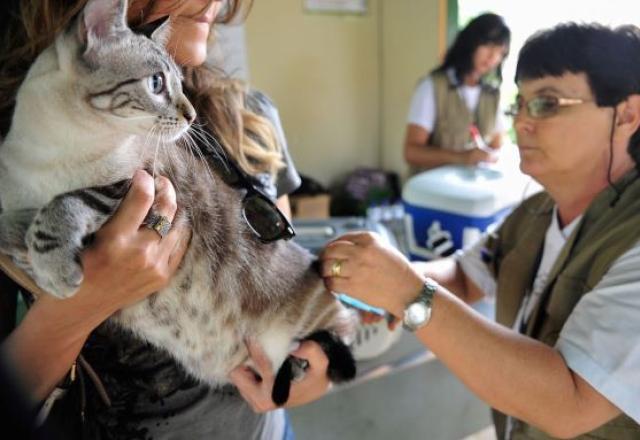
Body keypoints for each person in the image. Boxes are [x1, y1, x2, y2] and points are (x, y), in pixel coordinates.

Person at [0, 1, 331, 438]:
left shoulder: (250, 116)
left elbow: (284, 281)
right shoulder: (21, 148)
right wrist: (79, 309)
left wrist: (314, 365)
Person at [321, 22, 640, 439]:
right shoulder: (535, 214)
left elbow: (571, 403)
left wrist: (407, 293)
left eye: (546, 104)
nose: (521, 122)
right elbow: (465, 276)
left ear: (627, 114)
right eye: (518, 105)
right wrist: (379, 279)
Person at [404, 13, 510, 173]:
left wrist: (488, 155)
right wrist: (462, 157)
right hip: (430, 190)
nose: (493, 57)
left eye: (500, 52)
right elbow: (411, 152)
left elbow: (497, 143)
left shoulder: (492, 94)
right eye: (488, 45)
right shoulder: (433, 86)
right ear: (470, 42)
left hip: (471, 189)